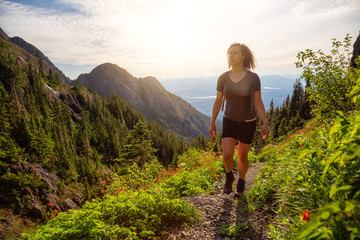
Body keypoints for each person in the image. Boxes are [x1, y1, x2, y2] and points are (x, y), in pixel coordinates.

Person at [209, 43, 269, 195]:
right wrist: (212, 122)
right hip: (229, 119)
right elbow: (218, 101)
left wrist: (265, 122)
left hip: (248, 122)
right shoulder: (223, 78)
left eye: (235, 53)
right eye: (229, 53)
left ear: (243, 56)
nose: (231, 55)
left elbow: (258, 101)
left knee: (243, 156)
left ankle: (241, 181)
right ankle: (229, 176)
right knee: (227, 154)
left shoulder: (253, 78)